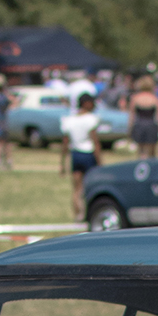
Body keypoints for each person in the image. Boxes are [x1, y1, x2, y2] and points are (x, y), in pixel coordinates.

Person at [62, 92, 105, 222]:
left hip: (76, 154)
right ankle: (88, 213)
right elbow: (95, 142)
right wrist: (100, 161)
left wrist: (62, 163)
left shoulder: (69, 120)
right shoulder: (91, 119)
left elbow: (65, 144)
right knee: (90, 187)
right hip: (88, 155)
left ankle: (78, 214)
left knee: (76, 188)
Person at [128, 74, 158, 159]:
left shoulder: (135, 98)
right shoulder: (155, 98)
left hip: (139, 125)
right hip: (151, 125)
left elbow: (132, 116)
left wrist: (129, 129)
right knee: (152, 152)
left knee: (141, 152)